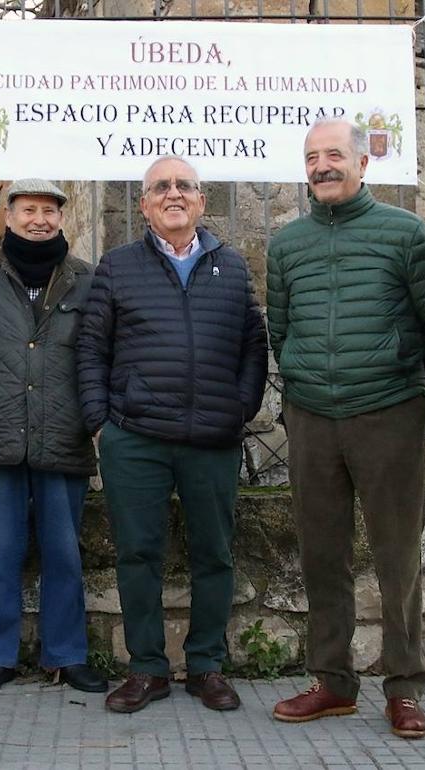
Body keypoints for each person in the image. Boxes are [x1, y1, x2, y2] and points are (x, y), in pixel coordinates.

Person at [76, 156, 268, 714]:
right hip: (135, 437)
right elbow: (91, 349)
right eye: (161, 187)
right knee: (138, 554)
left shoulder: (231, 266)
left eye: (184, 185)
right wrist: (100, 422)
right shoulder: (117, 267)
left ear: (202, 201)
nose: (173, 193)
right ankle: (147, 668)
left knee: (215, 554)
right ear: (144, 205)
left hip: (212, 439)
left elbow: (253, 345)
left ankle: (207, 665)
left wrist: (239, 408)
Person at [266, 119, 425, 739]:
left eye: (334, 154)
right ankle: (332, 682)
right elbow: (280, 329)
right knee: (321, 555)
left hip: (390, 411)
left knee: (398, 557)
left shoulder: (409, 234)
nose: (322, 166)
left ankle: (405, 686)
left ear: (364, 163)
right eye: (312, 157)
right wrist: (303, 382)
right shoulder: (287, 245)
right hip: (312, 416)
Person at [0, 178, 108, 696]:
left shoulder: (86, 278)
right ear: (8, 218)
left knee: (64, 552)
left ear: (61, 218)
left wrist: (88, 411)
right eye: (28, 210)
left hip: (64, 431)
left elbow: (100, 349)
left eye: (48, 211)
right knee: (0, 549)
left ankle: (68, 654)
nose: (39, 220)